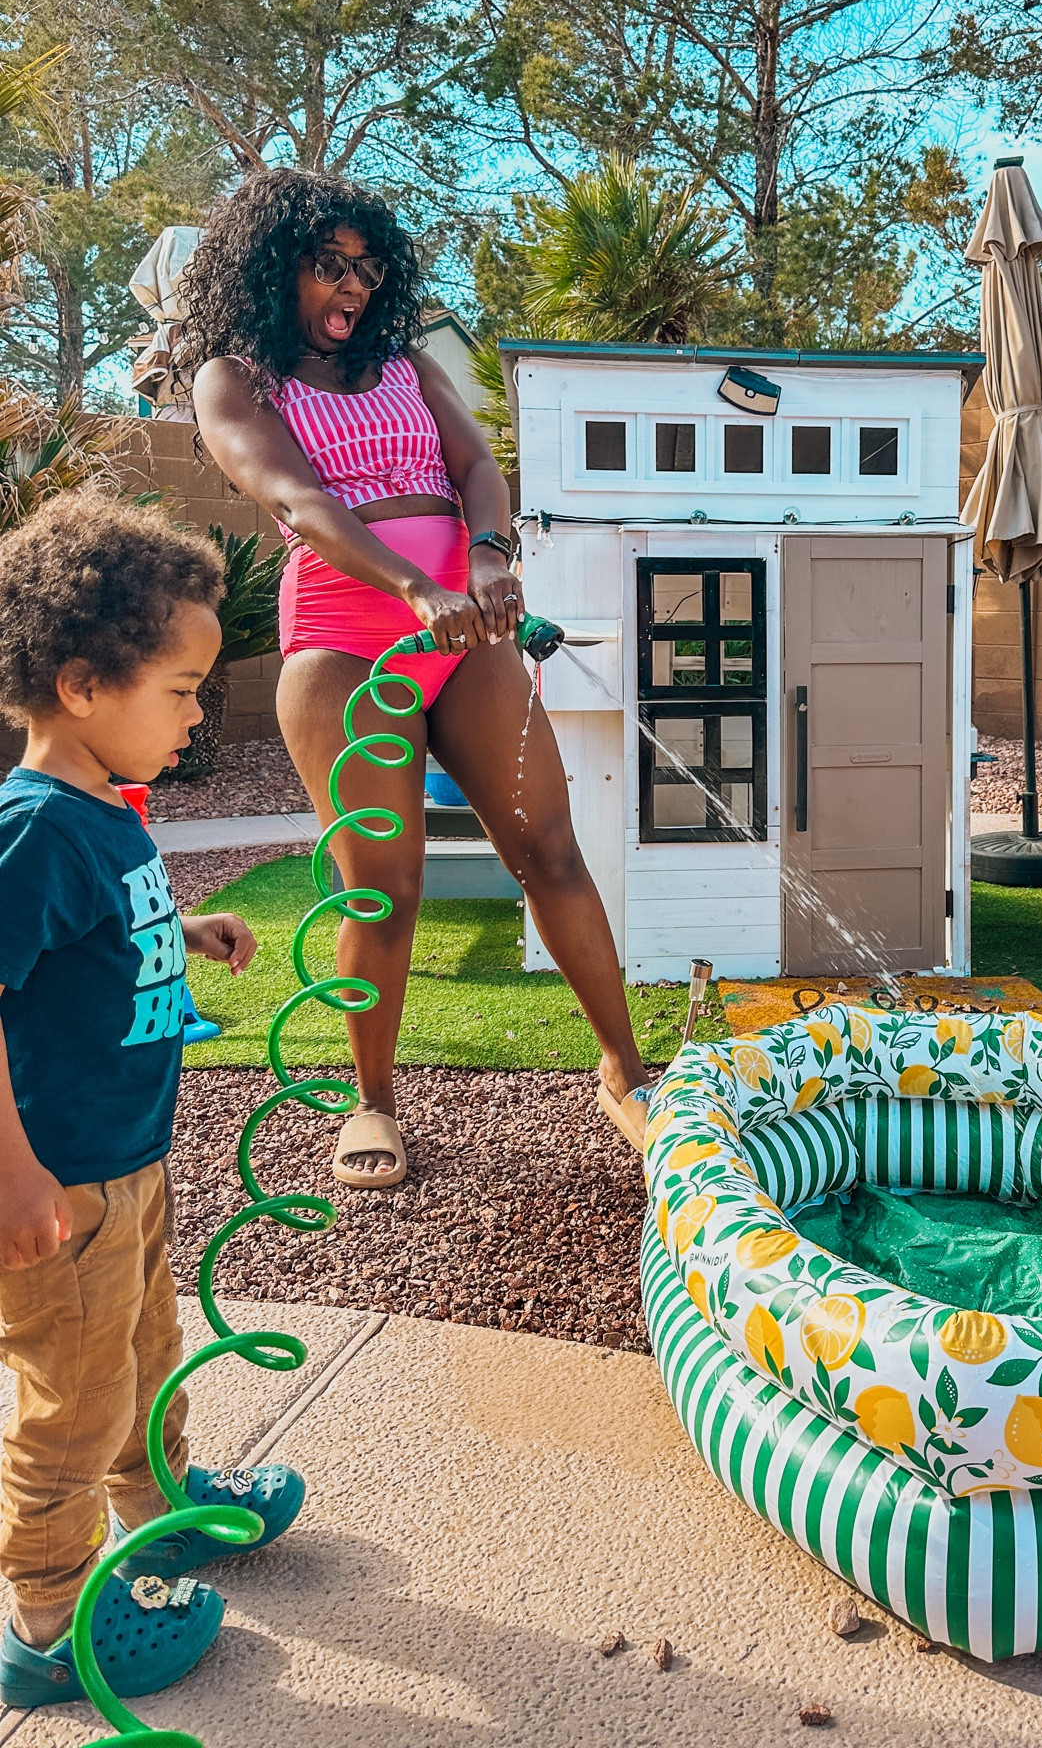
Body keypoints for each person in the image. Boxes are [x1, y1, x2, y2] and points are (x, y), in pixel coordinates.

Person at [184, 169, 651, 1184]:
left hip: (465, 631)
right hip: (347, 641)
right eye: (326, 265)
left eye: (366, 266)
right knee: (384, 893)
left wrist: (486, 559)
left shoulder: (406, 364)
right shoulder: (237, 378)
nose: (350, 286)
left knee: (552, 848)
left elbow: (479, 467)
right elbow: (298, 498)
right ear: (277, 270)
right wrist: (411, 586)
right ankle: (373, 1104)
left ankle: (624, 1068)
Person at [0, 495, 304, 1709]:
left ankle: (161, 1511)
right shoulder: (29, 829)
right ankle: (49, 1619)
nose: (196, 712)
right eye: (182, 688)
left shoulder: (97, 812)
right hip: (60, 1184)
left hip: (128, 1162)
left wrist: (183, 924)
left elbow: (76, 945)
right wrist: (16, 1175)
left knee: (140, 1354)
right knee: (72, 1406)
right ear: (82, 685)